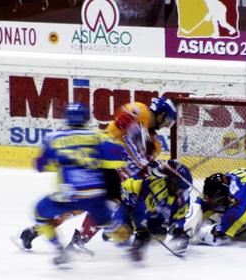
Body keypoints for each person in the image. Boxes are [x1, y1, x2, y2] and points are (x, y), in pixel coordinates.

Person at [17, 97, 178, 254]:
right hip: (102, 164)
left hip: (117, 175)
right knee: (100, 205)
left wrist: (155, 169)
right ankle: (79, 241)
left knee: (79, 206)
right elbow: (120, 122)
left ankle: (33, 231)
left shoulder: (155, 144)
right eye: (167, 120)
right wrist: (138, 134)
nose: (166, 125)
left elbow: (140, 169)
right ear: (162, 114)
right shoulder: (140, 110)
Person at [12, 103, 126, 265]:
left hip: (69, 193)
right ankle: (125, 248)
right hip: (97, 190)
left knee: (54, 210)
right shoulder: (99, 136)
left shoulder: (55, 138)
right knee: (103, 213)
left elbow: (40, 165)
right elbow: (116, 160)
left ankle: (46, 239)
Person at [110, 159, 192, 261]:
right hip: (129, 205)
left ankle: (138, 228)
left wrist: (178, 230)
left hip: (150, 211)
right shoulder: (154, 186)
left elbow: (178, 216)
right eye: (180, 188)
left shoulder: (182, 196)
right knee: (120, 234)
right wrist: (141, 231)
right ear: (172, 183)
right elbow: (140, 211)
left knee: (159, 236)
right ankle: (116, 225)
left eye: (184, 189)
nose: (182, 192)